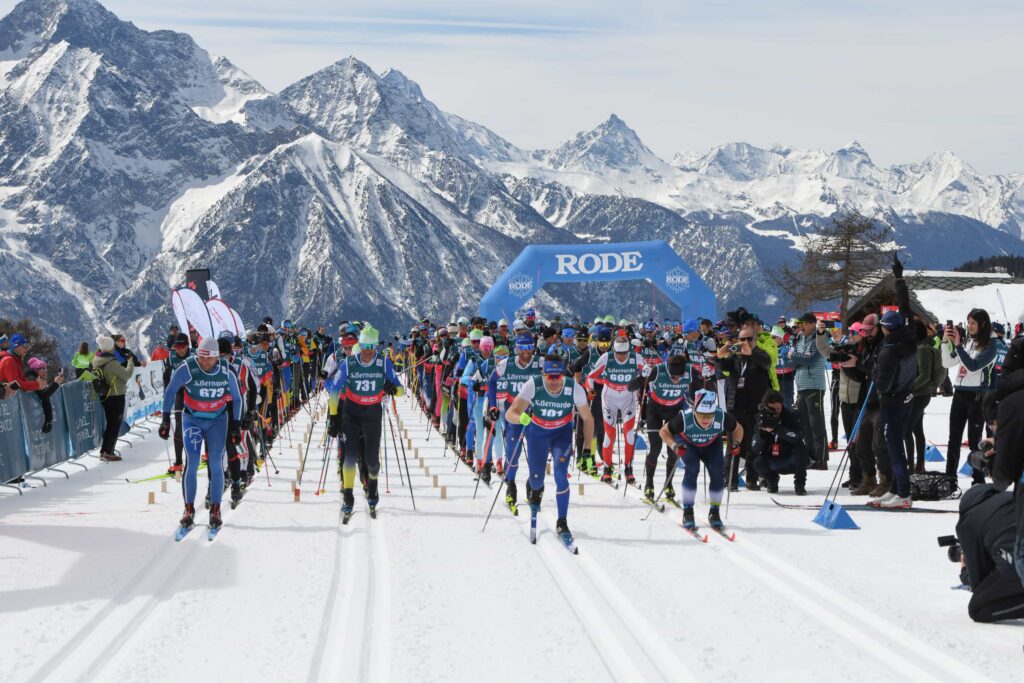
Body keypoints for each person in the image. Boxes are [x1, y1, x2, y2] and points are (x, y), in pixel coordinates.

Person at [505, 354, 595, 546]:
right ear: (543, 374)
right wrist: (521, 418)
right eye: (550, 376)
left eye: (558, 376)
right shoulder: (533, 385)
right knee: (537, 481)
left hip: (561, 435)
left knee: (561, 474)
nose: (554, 381)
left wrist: (589, 450)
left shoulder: (574, 388)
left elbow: (588, 419)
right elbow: (510, 412)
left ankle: (562, 521)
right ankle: (534, 486)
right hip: (537, 434)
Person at [159, 337, 242, 534]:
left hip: (217, 421)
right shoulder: (188, 367)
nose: (204, 363)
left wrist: (236, 425)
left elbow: (237, 399)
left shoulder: (226, 370)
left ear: (216, 357)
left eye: (209, 359)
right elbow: (170, 392)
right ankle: (188, 509)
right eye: (201, 358)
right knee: (193, 461)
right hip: (192, 419)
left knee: (215, 463)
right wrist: (164, 419)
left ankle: (215, 509)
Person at [325, 326, 403, 519]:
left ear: (376, 346)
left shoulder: (383, 363)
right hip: (351, 413)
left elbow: (401, 390)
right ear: (359, 345)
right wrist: (334, 417)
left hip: (373, 414)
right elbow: (334, 391)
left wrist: (392, 388)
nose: (368, 350)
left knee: (372, 462)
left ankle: (373, 489)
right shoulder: (349, 364)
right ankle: (348, 497)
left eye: (372, 346)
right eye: (365, 345)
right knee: (349, 455)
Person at [868, 255, 919, 508]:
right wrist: (899, 279)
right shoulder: (909, 332)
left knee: (894, 445)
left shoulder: (889, 350)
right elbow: (905, 306)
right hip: (908, 394)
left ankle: (904, 493)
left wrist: (874, 373)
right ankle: (897, 488)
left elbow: (883, 383)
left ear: (887, 329)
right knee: (896, 443)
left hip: (893, 401)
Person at [659, 389, 743, 531]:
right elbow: (663, 431)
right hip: (688, 443)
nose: (705, 419)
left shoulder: (720, 416)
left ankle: (714, 513)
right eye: (701, 415)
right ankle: (688, 512)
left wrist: (736, 444)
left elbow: (738, 429)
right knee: (692, 469)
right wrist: (674, 446)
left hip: (711, 444)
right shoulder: (684, 418)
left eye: (709, 415)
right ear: (695, 411)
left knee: (717, 473)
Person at [955, 484, 1024, 623]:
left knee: (978, 609)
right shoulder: (1009, 497)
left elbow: (979, 582)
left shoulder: (967, 523)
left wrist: (964, 569)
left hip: (1018, 563)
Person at [942, 308, 997, 484]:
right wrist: (945, 342)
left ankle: (978, 479)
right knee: (954, 438)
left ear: (983, 324)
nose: (970, 326)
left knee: (974, 441)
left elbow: (973, 366)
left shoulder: (991, 345)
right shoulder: (969, 342)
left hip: (977, 396)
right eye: (969, 323)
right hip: (960, 394)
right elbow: (947, 362)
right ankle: (950, 477)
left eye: (973, 323)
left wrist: (958, 345)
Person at [490, 333, 543, 509]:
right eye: (522, 348)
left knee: (536, 452)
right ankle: (511, 485)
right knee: (513, 452)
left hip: (534, 413)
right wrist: (492, 406)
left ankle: (532, 485)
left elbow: (556, 379)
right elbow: (492, 382)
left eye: (529, 347)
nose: (526, 352)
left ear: (533, 347)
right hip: (514, 413)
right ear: (517, 348)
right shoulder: (507, 364)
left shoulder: (540, 363)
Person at [716, 325, 772, 491]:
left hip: (755, 408)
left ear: (755, 340)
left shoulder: (761, 355)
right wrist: (722, 352)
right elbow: (720, 365)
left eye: (749, 339)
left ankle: (751, 479)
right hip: (736, 407)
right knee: (734, 444)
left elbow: (767, 364)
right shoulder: (735, 358)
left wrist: (750, 352)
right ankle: (730, 480)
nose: (745, 342)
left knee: (753, 446)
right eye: (742, 339)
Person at [629, 354, 689, 502]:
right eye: (673, 376)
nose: (676, 380)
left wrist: (711, 373)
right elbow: (631, 387)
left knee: (673, 450)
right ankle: (649, 484)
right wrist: (643, 376)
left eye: (680, 377)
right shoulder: (658, 370)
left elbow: (708, 384)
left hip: (674, 412)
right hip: (655, 411)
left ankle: (668, 484)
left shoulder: (690, 371)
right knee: (655, 447)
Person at [585, 332, 643, 484]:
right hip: (609, 397)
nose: (621, 357)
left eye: (624, 353)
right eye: (618, 353)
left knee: (629, 434)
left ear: (629, 350)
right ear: (614, 350)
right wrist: (590, 391)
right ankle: (607, 468)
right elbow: (590, 377)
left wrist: (644, 379)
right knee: (609, 434)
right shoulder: (607, 358)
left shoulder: (636, 358)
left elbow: (649, 374)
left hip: (628, 397)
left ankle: (628, 468)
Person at [789, 312, 828, 469]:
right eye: (800, 323)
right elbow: (792, 361)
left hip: (814, 385)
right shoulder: (800, 339)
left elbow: (811, 360)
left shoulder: (819, 339)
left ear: (813, 324)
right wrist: (798, 357)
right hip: (801, 385)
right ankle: (812, 457)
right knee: (805, 424)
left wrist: (796, 357)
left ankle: (822, 458)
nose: (801, 326)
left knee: (817, 424)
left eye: (804, 323)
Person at [906, 321, 946, 473]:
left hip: (920, 394)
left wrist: (909, 388)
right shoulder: (919, 347)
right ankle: (919, 464)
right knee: (916, 429)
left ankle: (911, 466)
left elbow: (924, 375)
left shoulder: (922, 349)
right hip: (919, 393)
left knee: (907, 430)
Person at [751, 390, 807, 494]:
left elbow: (798, 436)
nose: (776, 412)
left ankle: (800, 484)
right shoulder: (761, 418)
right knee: (758, 462)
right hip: (772, 458)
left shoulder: (791, 415)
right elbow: (755, 448)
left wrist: (779, 429)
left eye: (778, 408)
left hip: (791, 458)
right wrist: (762, 434)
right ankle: (772, 481)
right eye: (772, 409)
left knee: (801, 447)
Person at [92, 335, 135, 462]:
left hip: (104, 395)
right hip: (116, 395)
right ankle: (107, 451)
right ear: (111, 347)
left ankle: (105, 450)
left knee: (110, 423)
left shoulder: (96, 359)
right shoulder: (111, 363)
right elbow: (127, 374)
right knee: (114, 424)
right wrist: (131, 362)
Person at [162, 333, 192, 475]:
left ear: (187, 346)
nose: (180, 349)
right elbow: (166, 375)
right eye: (177, 346)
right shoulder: (171, 356)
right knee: (179, 426)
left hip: (194, 394)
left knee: (199, 423)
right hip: (180, 393)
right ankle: (178, 462)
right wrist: (168, 392)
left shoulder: (195, 355)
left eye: (183, 346)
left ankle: (207, 453)